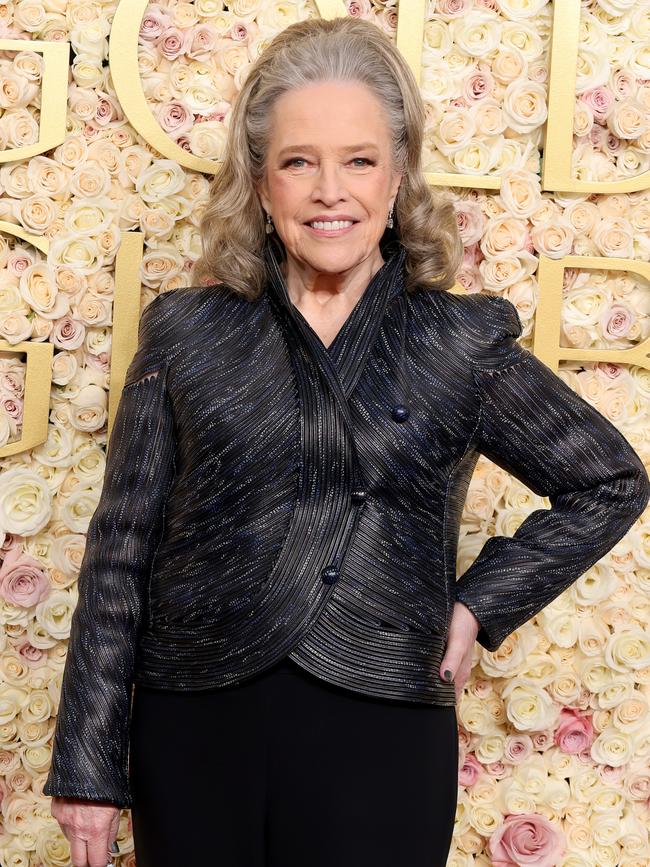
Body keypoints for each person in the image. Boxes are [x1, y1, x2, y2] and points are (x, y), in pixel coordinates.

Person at [43, 16, 649, 867]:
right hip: (194, 726)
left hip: (384, 727)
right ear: (259, 183)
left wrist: (481, 603)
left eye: (359, 160)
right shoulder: (187, 333)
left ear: (398, 177)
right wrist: (88, 767)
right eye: (299, 162)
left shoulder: (458, 342)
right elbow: (119, 556)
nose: (331, 190)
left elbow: (609, 480)